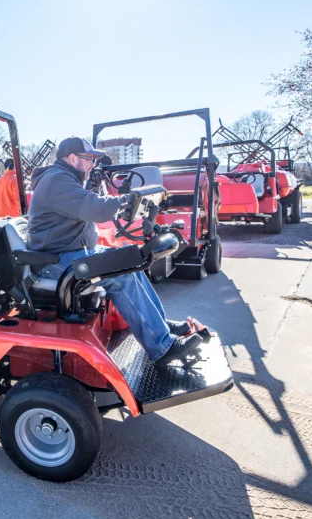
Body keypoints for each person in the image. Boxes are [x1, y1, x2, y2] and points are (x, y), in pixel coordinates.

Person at [27, 137, 205, 368]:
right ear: (72, 158)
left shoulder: (64, 178)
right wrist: (126, 201)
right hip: (54, 261)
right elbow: (96, 208)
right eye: (88, 158)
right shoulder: (57, 181)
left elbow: (91, 206)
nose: (92, 164)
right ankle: (162, 347)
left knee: (132, 259)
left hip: (71, 252)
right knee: (120, 273)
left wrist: (126, 203)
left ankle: (159, 325)